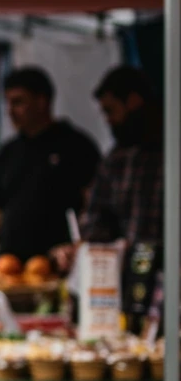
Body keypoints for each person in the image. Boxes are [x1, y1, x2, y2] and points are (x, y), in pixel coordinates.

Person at [0, 67, 100, 277]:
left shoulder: (76, 146)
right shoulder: (9, 151)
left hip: (58, 269)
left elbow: (94, 206)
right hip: (10, 268)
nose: (11, 110)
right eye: (8, 102)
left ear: (42, 102)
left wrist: (79, 248)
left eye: (18, 102)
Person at [52, 66, 163, 325]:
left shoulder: (171, 150)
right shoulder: (116, 160)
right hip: (125, 292)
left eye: (111, 111)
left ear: (134, 102)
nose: (108, 120)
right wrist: (81, 248)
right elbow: (96, 222)